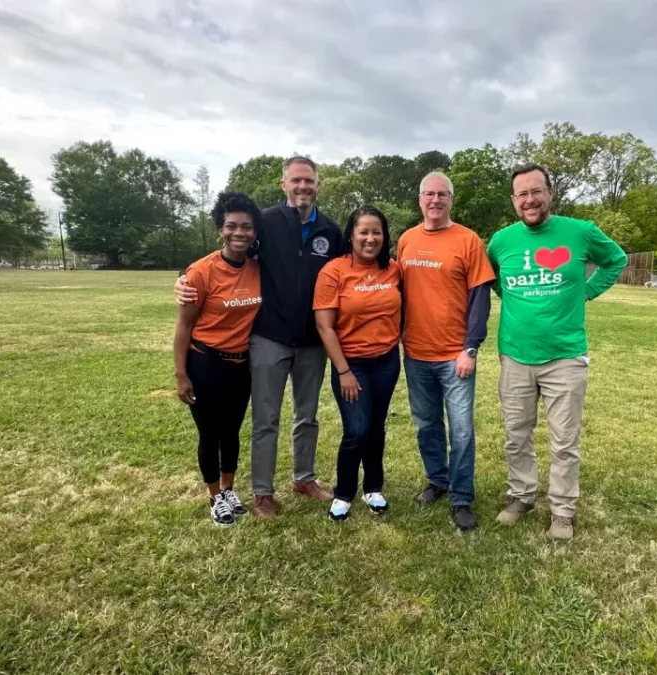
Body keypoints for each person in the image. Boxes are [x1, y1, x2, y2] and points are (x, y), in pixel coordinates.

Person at [176, 156, 342, 518]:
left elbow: (347, 273)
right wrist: (184, 274)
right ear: (284, 184)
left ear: (318, 184)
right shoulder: (264, 223)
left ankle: (304, 478)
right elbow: (229, 252)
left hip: (313, 342)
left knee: (307, 415)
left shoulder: (330, 232)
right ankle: (263, 493)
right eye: (295, 180)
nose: (302, 187)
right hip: (269, 338)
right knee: (266, 419)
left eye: (309, 181)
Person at [487, 163, 627, 540]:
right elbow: (495, 280)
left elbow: (616, 260)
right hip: (515, 354)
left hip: (565, 355)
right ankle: (521, 496)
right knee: (516, 434)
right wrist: (517, 303)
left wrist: (587, 290)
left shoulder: (580, 232)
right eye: (521, 194)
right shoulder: (501, 242)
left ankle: (562, 512)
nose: (529, 200)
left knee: (564, 440)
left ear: (550, 193)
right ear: (514, 201)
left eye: (536, 191)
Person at [396, 171, 495, 531]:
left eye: (442, 194)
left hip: (456, 356)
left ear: (451, 199)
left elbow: (480, 298)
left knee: (463, 430)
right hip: (416, 353)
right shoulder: (406, 240)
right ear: (419, 199)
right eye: (428, 194)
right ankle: (437, 480)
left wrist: (470, 347)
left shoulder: (467, 240)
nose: (435, 200)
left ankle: (462, 497)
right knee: (426, 425)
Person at [172, 191, 263, 527]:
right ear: (220, 229)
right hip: (206, 364)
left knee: (232, 432)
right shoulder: (201, 272)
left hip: (240, 367)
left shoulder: (257, 268)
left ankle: (228, 490)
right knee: (209, 434)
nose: (239, 233)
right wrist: (181, 374)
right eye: (231, 226)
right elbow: (183, 327)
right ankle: (214, 497)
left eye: (247, 227)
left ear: (255, 233)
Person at [313, 207, 402, 521]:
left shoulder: (392, 269)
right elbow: (325, 327)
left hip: (387, 362)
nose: (370, 238)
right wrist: (344, 371)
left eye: (376, 231)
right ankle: (344, 492)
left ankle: (373, 488)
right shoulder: (334, 271)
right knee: (357, 429)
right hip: (351, 364)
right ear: (350, 235)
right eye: (363, 231)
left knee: (376, 427)